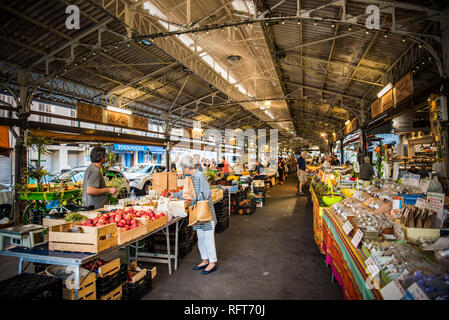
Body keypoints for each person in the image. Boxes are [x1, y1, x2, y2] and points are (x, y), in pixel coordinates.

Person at [177, 155, 218, 275]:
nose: (183, 171)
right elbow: (186, 192)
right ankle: (205, 260)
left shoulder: (199, 176)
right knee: (201, 238)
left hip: (206, 213)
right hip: (197, 213)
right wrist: (174, 195)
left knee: (208, 238)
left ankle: (212, 263)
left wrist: (193, 197)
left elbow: (206, 194)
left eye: (183, 169)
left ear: (187, 167)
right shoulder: (190, 178)